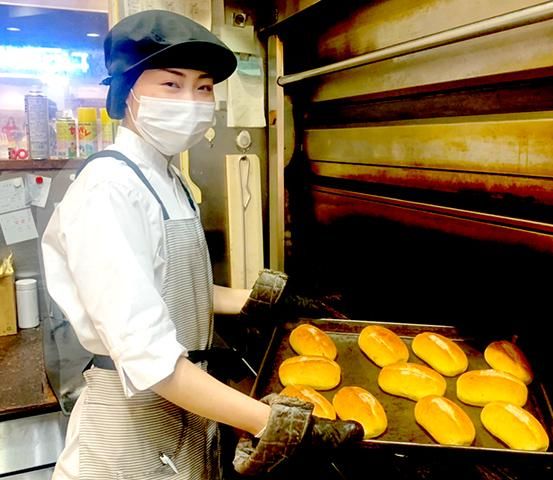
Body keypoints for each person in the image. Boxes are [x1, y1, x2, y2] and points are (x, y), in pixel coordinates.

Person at [41, 10, 362, 480]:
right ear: (127, 91)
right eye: (171, 84)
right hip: (131, 431)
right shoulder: (108, 188)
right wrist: (277, 425)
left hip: (186, 409)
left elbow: (169, 285)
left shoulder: (167, 177)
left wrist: (265, 300)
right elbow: (149, 357)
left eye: (204, 87)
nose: (191, 101)